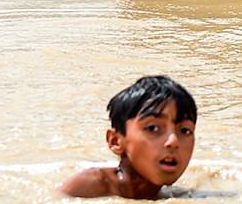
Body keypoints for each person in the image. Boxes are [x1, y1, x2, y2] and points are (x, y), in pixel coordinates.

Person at [60, 75, 197, 199]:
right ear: (116, 141)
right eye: (152, 128)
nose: (173, 141)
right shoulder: (87, 188)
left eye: (185, 130)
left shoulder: (176, 197)